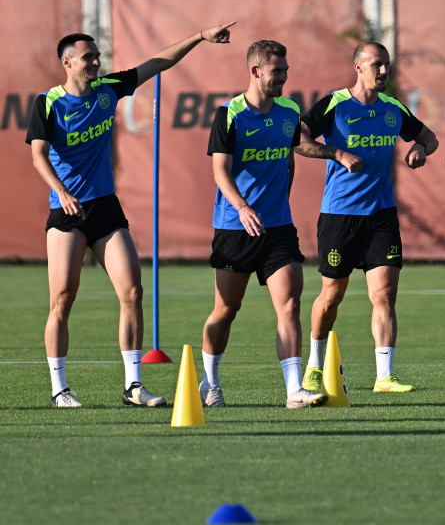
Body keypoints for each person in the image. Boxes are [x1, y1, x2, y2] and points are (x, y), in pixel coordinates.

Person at [26, 21, 236, 407]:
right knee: (62, 299)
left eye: (97, 55)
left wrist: (199, 37)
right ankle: (60, 389)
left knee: (133, 292)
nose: (96, 61)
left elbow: (157, 63)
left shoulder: (109, 91)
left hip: (106, 208)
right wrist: (61, 192)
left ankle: (133, 386)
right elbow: (38, 154)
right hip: (67, 213)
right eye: (88, 57)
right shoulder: (48, 103)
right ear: (67, 62)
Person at [296, 41, 438, 393]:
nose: (383, 71)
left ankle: (384, 376)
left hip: (381, 215)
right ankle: (314, 364)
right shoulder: (335, 104)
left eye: (387, 64)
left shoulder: (392, 108)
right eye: (376, 64)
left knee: (385, 294)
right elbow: (297, 139)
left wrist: (420, 147)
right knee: (332, 295)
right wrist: (337, 153)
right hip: (340, 215)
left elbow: (430, 137)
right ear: (357, 66)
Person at [199, 40, 328, 409]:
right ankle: (210, 382)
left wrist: (278, 202)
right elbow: (219, 171)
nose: (284, 78)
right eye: (277, 71)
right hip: (234, 227)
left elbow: (288, 160)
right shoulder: (229, 114)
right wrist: (241, 207)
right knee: (226, 309)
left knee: (289, 304)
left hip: (278, 228)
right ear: (255, 71)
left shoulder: (289, 111)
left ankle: (293, 391)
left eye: (286, 70)